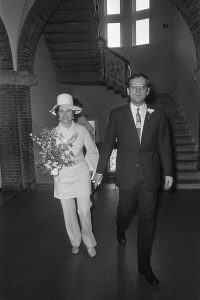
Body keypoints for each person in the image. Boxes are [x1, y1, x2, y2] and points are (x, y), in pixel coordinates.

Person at [93, 73, 173, 285]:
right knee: (124, 212)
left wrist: (169, 172)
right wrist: (100, 170)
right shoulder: (117, 114)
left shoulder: (159, 115)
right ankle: (120, 229)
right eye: (134, 86)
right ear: (128, 91)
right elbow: (108, 144)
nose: (138, 90)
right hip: (126, 175)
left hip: (150, 176)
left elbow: (164, 145)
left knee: (147, 222)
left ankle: (145, 267)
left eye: (142, 87)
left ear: (148, 90)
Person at [49, 93, 99, 257]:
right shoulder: (52, 134)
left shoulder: (82, 130)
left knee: (84, 210)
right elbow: (48, 158)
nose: (65, 114)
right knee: (69, 213)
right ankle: (75, 242)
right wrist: (52, 166)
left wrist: (93, 172)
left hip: (81, 175)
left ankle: (89, 242)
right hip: (63, 178)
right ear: (57, 114)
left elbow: (92, 151)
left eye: (68, 111)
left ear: (73, 113)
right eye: (61, 111)